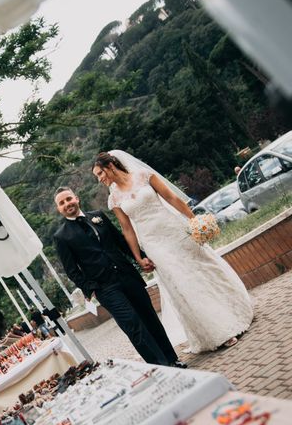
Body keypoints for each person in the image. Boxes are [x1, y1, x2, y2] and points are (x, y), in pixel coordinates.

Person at [92, 151, 253, 353]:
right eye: (97, 176)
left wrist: (193, 220)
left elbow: (171, 197)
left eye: (100, 173)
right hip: (153, 243)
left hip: (174, 230)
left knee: (203, 269)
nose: (99, 179)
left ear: (111, 165)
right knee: (181, 282)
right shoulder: (114, 198)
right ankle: (219, 332)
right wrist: (138, 257)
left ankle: (234, 312)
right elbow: (127, 229)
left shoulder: (143, 175)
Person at [53, 187, 184, 367]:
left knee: (150, 318)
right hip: (105, 288)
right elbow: (71, 270)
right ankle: (161, 366)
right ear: (59, 209)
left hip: (127, 275)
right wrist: (91, 288)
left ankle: (172, 360)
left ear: (76, 198)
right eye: (62, 203)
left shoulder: (97, 216)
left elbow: (121, 241)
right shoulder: (61, 236)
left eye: (69, 199)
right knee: (133, 325)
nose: (67, 204)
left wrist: (141, 258)